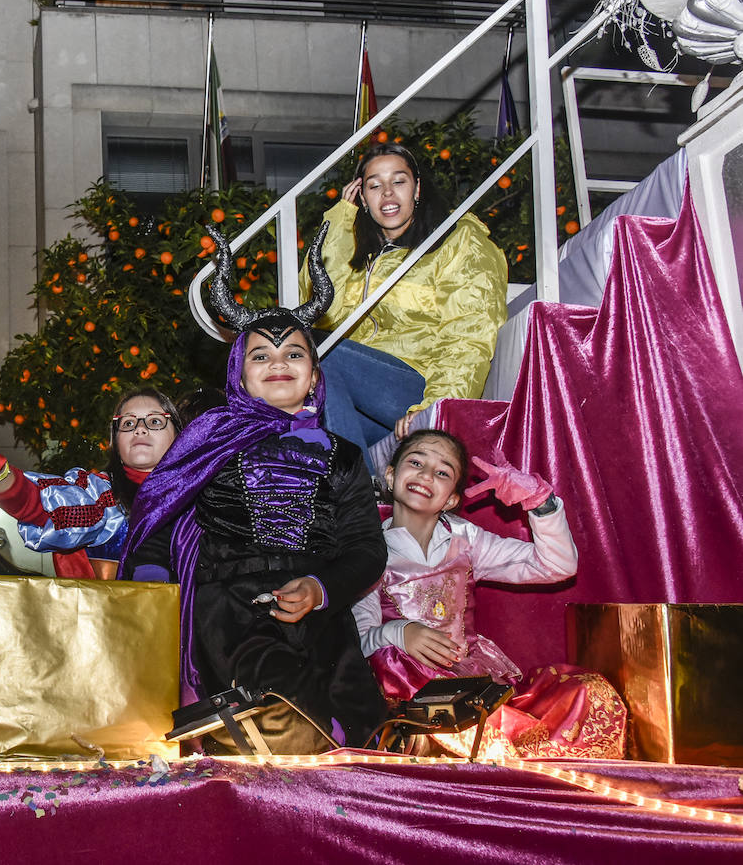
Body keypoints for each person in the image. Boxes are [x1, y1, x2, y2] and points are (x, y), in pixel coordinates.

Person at [122, 223, 388, 754]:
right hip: (231, 612)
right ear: (239, 376)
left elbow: (366, 548)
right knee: (286, 718)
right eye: (260, 356)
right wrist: (153, 599)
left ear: (314, 375)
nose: (278, 365)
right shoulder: (208, 439)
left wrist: (319, 588)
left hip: (319, 612)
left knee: (363, 724)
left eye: (294, 354)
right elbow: (159, 523)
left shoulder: (343, 455)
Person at [352, 430, 627, 758]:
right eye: (415, 462)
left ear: (452, 499)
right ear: (391, 475)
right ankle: (469, 741)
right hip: (410, 694)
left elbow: (557, 565)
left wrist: (541, 504)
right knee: (394, 661)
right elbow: (358, 643)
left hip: (472, 684)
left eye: (443, 472)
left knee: (587, 692)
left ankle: (501, 741)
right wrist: (398, 632)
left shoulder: (467, 540)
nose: (426, 475)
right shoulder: (367, 552)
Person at [302, 141, 508, 463]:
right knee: (307, 415)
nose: (387, 193)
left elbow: (469, 333)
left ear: (417, 189)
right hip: (361, 393)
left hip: (420, 384)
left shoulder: (458, 240)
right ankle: (363, 501)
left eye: (398, 181)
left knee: (310, 348)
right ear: (363, 200)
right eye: (374, 185)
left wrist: (434, 408)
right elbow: (321, 310)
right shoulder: (363, 254)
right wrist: (342, 222)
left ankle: (355, 499)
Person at [0, 387, 182, 579]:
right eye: (127, 423)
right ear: (115, 442)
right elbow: (46, 507)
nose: (140, 429)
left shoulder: (206, 493)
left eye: (155, 421)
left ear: (181, 434)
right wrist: (0, 475)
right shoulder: (102, 497)